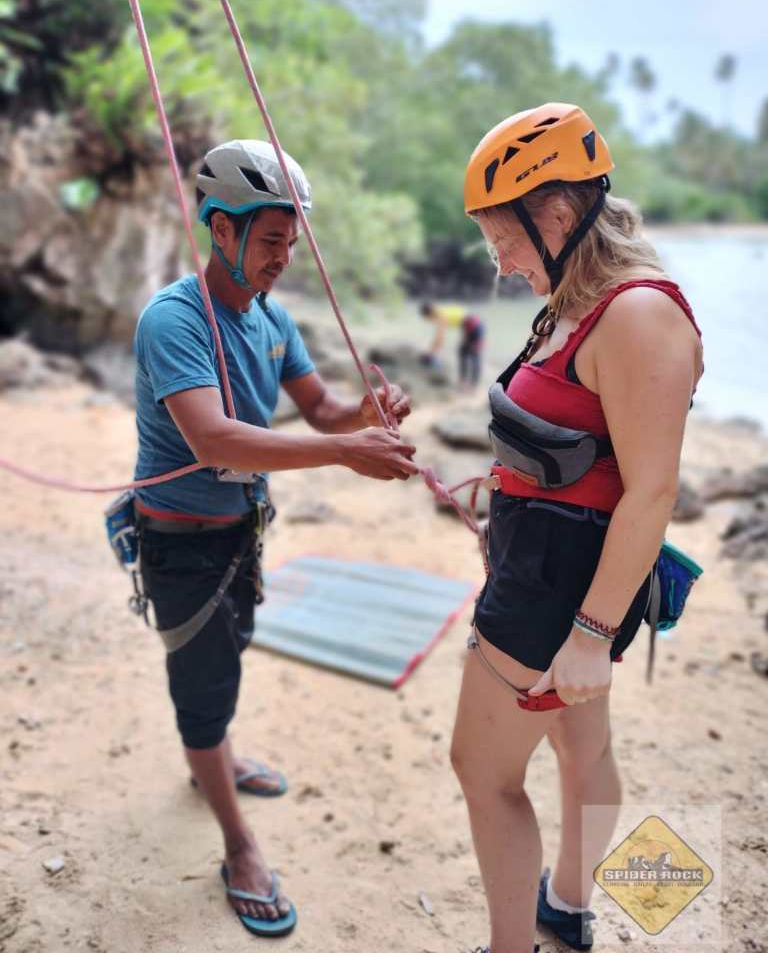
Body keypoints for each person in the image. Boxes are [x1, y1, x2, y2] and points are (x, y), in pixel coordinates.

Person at [133, 139, 418, 938]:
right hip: (180, 542)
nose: (283, 259)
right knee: (202, 690)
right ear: (220, 230)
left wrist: (363, 417)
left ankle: (214, 759)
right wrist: (342, 451)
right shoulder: (174, 321)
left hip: (240, 534)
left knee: (225, 662)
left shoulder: (271, 316)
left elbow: (323, 410)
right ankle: (238, 840)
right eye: (269, 242)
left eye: (292, 244)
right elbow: (214, 442)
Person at [450, 103, 703, 953]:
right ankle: (567, 904)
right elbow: (582, 447)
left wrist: (592, 633)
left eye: (505, 237)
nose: (499, 259)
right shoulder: (578, 300)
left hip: (561, 589)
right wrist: (497, 481)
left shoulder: (637, 315)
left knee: (483, 772)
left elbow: (652, 489)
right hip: (550, 563)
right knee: (582, 748)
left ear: (555, 213)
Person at [420, 301, 485, 388]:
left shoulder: (441, 316)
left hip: (475, 326)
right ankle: (463, 381)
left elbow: (440, 339)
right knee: (462, 352)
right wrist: (431, 352)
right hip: (467, 327)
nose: (428, 321)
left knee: (474, 354)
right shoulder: (438, 312)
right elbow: (438, 338)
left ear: (429, 314)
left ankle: (473, 385)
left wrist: (431, 354)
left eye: (427, 318)